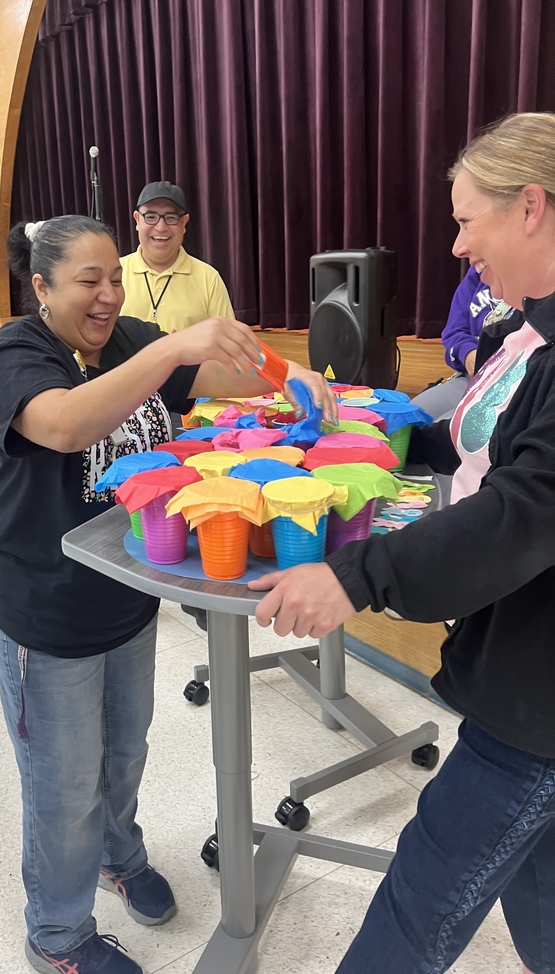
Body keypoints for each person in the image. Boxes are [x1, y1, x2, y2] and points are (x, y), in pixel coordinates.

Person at [0, 215, 336, 974]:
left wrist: (290, 373)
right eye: (88, 281)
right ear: (41, 287)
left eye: (115, 278)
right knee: (62, 781)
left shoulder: (135, 339)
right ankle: (59, 934)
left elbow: (228, 376)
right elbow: (67, 426)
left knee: (124, 752)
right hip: (45, 612)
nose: (108, 295)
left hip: (127, 598)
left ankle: (118, 854)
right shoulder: (17, 353)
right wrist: (175, 344)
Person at [248, 112, 555, 974]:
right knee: (537, 888)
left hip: (537, 702)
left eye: (467, 220)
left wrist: (357, 576)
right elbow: (477, 446)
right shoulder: (525, 331)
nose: (457, 246)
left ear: (529, 206)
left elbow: (521, 512)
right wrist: (371, 432)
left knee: (422, 901)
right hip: (519, 668)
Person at [119, 180, 235, 331]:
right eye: (151, 217)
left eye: (171, 218)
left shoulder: (209, 278)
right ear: (137, 219)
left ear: (184, 223)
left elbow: (227, 342)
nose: (160, 227)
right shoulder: (114, 273)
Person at [412, 265, 510, 420]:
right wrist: (467, 354)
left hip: (514, 390)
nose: (459, 249)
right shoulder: (479, 270)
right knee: (406, 422)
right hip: (471, 379)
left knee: (445, 434)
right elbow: (453, 331)